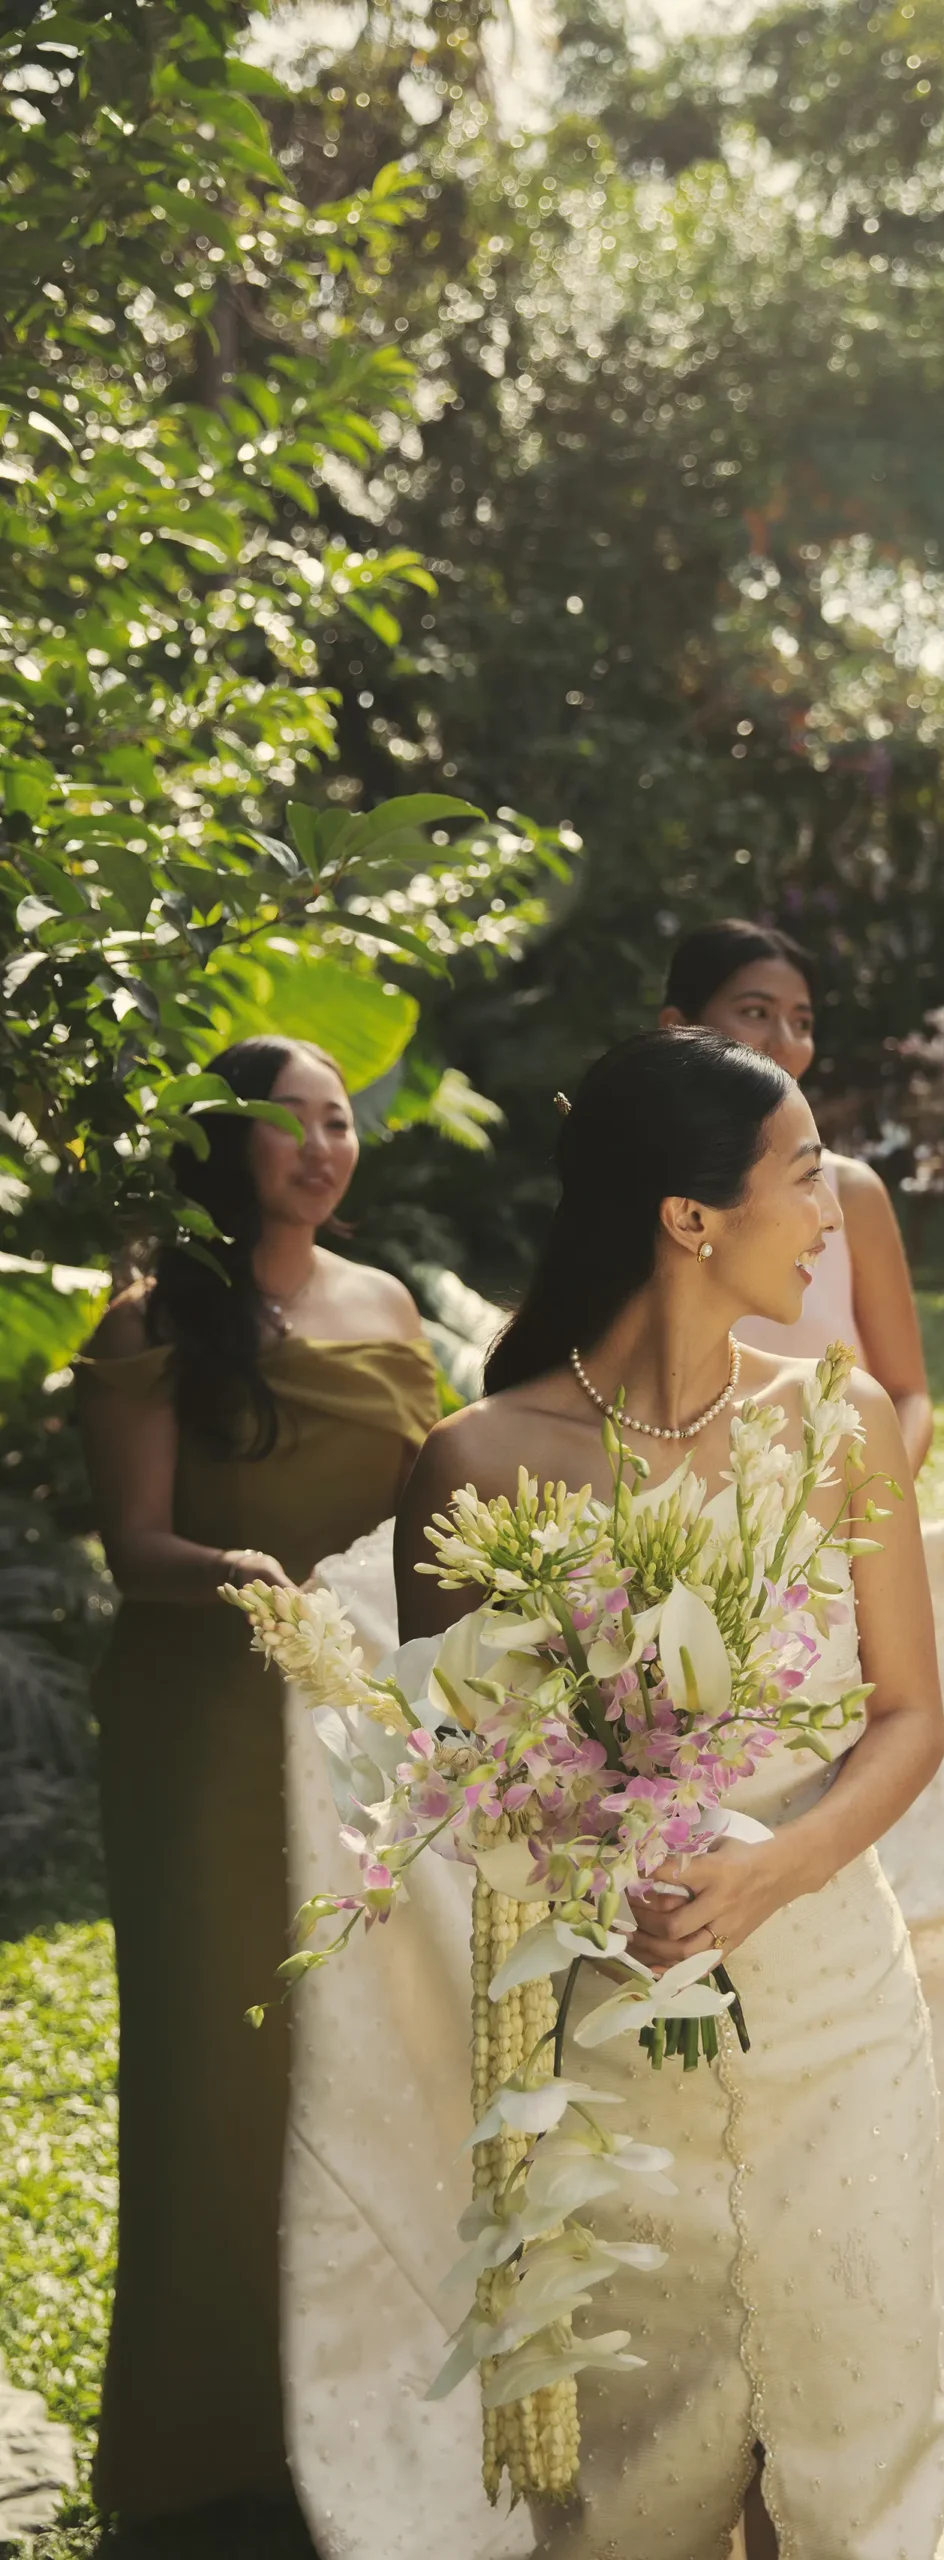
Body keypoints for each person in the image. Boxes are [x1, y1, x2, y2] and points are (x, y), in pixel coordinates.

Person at [393, 1026, 944, 2560]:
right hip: (616, 2032)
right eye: (799, 1181)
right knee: (645, 2460)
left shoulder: (836, 1422)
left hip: (836, 2002)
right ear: (689, 1217)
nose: (829, 1217)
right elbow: (470, 1790)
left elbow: (909, 1718)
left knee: (859, 2417)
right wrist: (607, 1844)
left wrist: (777, 1866)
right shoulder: (474, 1466)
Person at [76, 1036, 437, 2525]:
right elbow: (135, 1544)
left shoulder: (388, 1304)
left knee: (375, 2049)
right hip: (210, 1731)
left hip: (363, 1716)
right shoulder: (153, 1321)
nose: (319, 1146)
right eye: (287, 1125)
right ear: (225, 1148)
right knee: (223, 2066)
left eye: (339, 1120)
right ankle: (211, 2437)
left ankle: (377, 2393)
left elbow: (436, 1506)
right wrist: (234, 1577)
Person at [659, 918, 934, 1475]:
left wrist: (856, 1513)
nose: (784, 1043)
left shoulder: (850, 1195)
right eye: (756, 1013)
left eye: (802, 1021)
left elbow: (909, 1395)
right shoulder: (637, 1193)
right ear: (677, 1027)